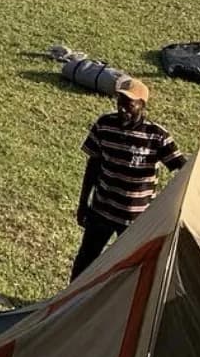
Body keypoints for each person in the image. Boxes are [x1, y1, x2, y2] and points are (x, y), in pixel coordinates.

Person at [72, 77, 186, 279]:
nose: (123, 109)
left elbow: (180, 167)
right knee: (85, 261)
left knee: (129, 269)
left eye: (129, 105)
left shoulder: (156, 136)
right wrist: (83, 203)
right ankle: (67, 305)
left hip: (134, 219)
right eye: (120, 103)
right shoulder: (105, 125)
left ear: (142, 105)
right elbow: (93, 166)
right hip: (102, 211)